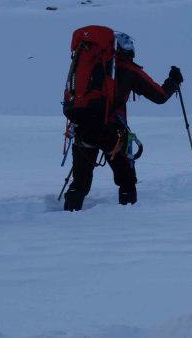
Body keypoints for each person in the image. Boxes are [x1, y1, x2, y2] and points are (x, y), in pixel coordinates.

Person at [63, 31, 183, 211]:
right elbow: (159, 96)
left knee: (80, 181)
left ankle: (67, 216)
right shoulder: (128, 69)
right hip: (112, 132)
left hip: (82, 125)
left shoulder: (87, 65)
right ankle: (128, 218)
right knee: (126, 180)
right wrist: (173, 81)